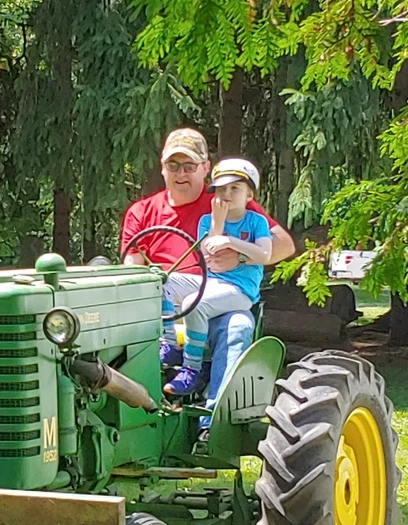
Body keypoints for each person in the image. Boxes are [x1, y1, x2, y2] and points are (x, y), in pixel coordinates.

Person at [120, 128, 295, 416]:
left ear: (205, 168)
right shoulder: (142, 212)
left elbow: (284, 245)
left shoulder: (226, 199)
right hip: (162, 308)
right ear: (162, 168)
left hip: (221, 299)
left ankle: (214, 419)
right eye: (173, 166)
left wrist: (239, 258)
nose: (181, 173)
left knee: (238, 326)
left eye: (190, 166)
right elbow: (132, 271)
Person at [162, 157, 271, 396]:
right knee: (159, 280)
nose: (227, 194)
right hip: (212, 284)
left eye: (235, 188)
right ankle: (169, 343)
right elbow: (209, 255)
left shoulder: (256, 222)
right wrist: (218, 223)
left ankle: (191, 369)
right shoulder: (207, 222)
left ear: (249, 195)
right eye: (221, 189)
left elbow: (264, 254)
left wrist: (232, 242)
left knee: (193, 303)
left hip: (241, 290)